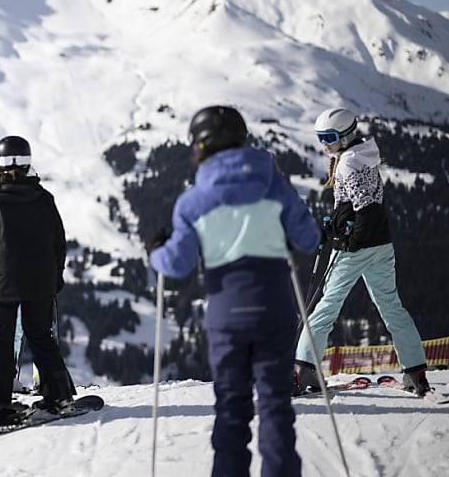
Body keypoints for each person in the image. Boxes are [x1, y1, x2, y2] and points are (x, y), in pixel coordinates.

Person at [148, 106, 319, 477]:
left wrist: (156, 251)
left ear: (201, 146)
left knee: (231, 409)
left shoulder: (193, 201)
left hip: (226, 316)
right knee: (275, 407)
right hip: (274, 308)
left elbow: (176, 264)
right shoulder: (273, 184)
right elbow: (309, 238)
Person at [294, 108, 429, 395]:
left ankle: (303, 371)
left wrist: (350, 240)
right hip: (381, 246)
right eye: (320, 138)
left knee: (325, 309)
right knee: (392, 307)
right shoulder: (363, 155)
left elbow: (366, 208)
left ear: (345, 135)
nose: (324, 144)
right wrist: (332, 226)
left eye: (329, 138)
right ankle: (415, 371)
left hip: (355, 250)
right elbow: (358, 205)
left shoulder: (347, 163)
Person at [0, 135, 74, 425]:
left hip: (3, 284)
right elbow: (58, 243)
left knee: (0, 343)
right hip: (40, 283)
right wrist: (57, 276)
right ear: (27, 162)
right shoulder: (43, 198)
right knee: (41, 337)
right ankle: (59, 395)